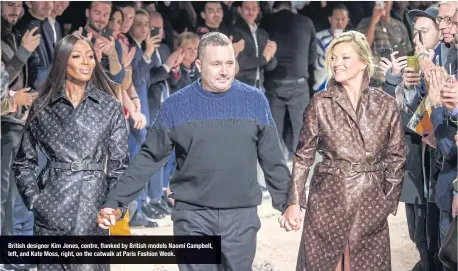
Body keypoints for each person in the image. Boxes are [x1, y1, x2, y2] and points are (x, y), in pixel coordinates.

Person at [98, 32, 291, 270]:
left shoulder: (254, 100)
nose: (225, 71)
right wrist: (116, 200)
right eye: (216, 64)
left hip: (240, 217)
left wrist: (288, 202)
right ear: (199, 65)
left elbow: (272, 157)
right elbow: (150, 156)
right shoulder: (176, 105)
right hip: (192, 217)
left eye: (229, 63)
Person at [280, 31, 407, 271]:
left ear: (363, 63)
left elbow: (397, 157)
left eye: (345, 58)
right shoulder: (320, 102)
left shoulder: (385, 104)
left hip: (370, 202)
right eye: (334, 58)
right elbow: (303, 156)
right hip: (328, 200)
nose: (337, 63)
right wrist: (294, 202)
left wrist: (388, 200)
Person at [12, 34, 129, 270]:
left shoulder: (109, 107)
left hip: (94, 206)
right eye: (77, 56)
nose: (86, 62)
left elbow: (120, 166)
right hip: (51, 206)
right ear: (63, 62)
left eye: (90, 56)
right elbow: (23, 163)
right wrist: (35, 202)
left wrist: (115, 206)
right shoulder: (43, 106)